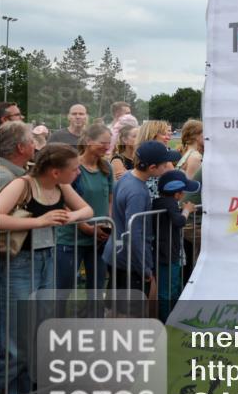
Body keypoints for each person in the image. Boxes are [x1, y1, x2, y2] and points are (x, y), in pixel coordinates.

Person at [0, 143, 93, 394]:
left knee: (34, 336)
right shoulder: (21, 185)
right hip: (17, 265)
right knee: (14, 343)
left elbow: (87, 210)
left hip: (45, 261)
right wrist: (39, 222)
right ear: (55, 171)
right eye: (74, 168)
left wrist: (70, 216)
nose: (78, 172)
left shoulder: (62, 188)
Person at [101, 140, 181, 297]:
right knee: (127, 312)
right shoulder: (137, 192)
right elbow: (134, 233)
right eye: (164, 165)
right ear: (152, 168)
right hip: (129, 260)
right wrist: (144, 267)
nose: (167, 168)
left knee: (116, 307)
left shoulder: (126, 178)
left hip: (118, 253)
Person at [55, 124, 113, 291]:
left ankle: (93, 317)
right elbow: (64, 203)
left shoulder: (106, 168)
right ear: (88, 141)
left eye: (109, 143)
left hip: (99, 239)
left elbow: (110, 200)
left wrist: (107, 225)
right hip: (71, 239)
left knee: (97, 288)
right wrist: (86, 228)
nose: (107, 147)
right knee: (62, 290)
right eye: (103, 142)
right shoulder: (73, 168)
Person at [152, 169, 199, 322]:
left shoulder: (161, 202)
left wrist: (181, 210)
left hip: (166, 253)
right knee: (167, 291)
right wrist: (186, 211)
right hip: (167, 255)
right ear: (177, 194)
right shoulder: (169, 203)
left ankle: (173, 318)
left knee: (173, 288)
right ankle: (167, 321)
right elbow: (179, 222)